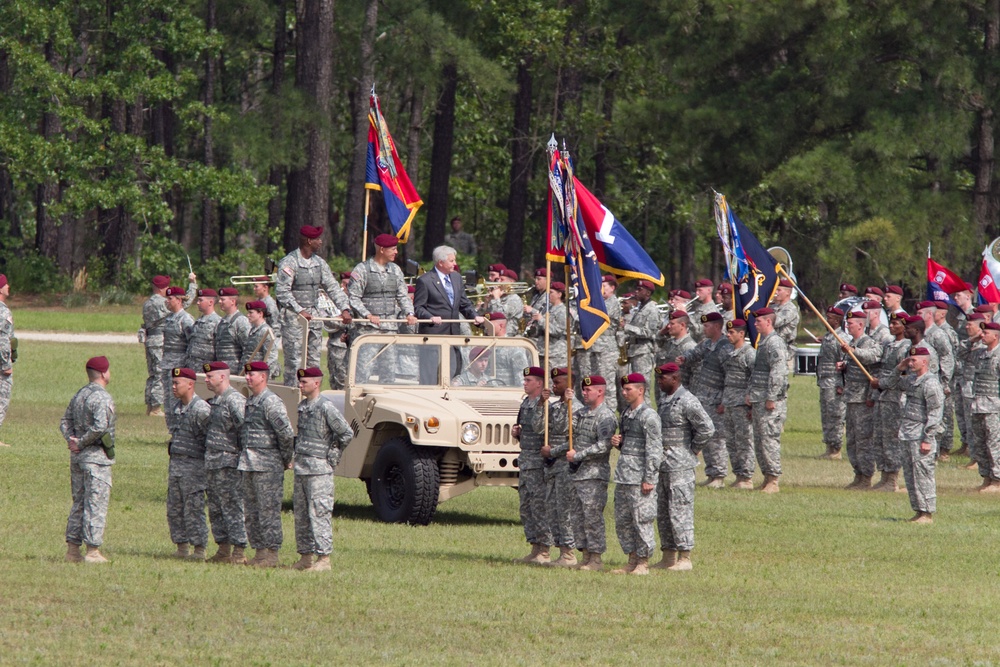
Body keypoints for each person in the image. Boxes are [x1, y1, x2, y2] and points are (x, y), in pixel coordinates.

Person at [652, 362, 714, 571]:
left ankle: (685, 556)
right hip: (663, 463)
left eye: (663, 378)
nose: (659, 382)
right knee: (663, 511)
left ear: (675, 379)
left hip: (680, 465)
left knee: (680, 509)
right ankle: (668, 555)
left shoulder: (688, 400)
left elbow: (707, 428)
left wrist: (692, 449)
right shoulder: (665, 400)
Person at [291, 367, 353, 572]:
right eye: (300, 382)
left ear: (316, 383)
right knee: (301, 515)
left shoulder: (326, 407)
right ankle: (305, 557)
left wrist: (332, 456)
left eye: (304, 382)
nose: (300, 385)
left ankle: (324, 559)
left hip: (319, 471)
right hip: (302, 469)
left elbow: (346, 433)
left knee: (319, 512)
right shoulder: (303, 406)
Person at [275, 225, 353, 386]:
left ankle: (312, 398)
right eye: (317, 239)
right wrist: (299, 310)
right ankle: (294, 398)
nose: (320, 241)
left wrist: (345, 308)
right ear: (309, 241)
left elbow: (332, 287)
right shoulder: (290, 262)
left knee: (314, 362)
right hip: (294, 319)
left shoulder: (319, 263)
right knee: (294, 362)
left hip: (314, 318)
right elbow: (282, 292)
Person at [239, 361, 294, 568]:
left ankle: (272, 554)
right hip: (249, 464)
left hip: (268, 466)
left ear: (263, 377)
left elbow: (286, 434)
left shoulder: (271, 402)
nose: (247, 378)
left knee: (268, 510)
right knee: (252, 511)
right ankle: (259, 552)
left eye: (252, 375)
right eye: (247, 374)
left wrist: (285, 458)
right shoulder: (251, 401)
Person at [61, 356, 115, 564]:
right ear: (103, 373)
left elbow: (65, 421)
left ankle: (72, 550)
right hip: (96, 459)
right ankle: (92, 550)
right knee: (95, 503)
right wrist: (81, 442)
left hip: (78, 458)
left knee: (79, 503)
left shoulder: (80, 395)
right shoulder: (102, 397)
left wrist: (72, 441)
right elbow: (101, 427)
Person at [348, 233, 417, 383]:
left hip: (390, 329)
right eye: (393, 249)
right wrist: (367, 315)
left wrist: (409, 313)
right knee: (363, 371)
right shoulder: (362, 270)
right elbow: (353, 297)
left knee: (388, 373)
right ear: (381, 249)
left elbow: (403, 296)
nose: (396, 252)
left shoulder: (396, 270)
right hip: (367, 330)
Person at [610, 373, 662, 575]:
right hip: (624, 475)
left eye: (628, 389)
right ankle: (631, 559)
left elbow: (654, 449)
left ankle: (643, 562)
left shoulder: (649, 416)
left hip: (640, 477)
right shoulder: (626, 413)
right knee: (624, 520)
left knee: (642, 520)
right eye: (623, 389)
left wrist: (649, 478)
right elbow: (630, 444)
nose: (624, 392)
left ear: (641, 390)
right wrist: (619, 444)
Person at [566, 375, 616, 571]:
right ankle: (585, 555)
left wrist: (578, 455)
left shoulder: (606, 416)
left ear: (600, 391)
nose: (584, 393)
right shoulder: (582, 413)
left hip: (594, 474)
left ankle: (596, 558)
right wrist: (569, 402)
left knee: (592, 518)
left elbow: (604, 445)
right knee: (578, 518)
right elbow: (571, 432)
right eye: (583, 390)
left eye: (588, 390)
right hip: (578, 474)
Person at [413, 245, 485, 382]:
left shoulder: (456, 278)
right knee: (430, 377)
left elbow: (464, 303)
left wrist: (474, 315)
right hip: (433, 338)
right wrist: (430, 317)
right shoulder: (425, 281)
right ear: (441, 262)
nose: (455, 264)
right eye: (451, 261)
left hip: (453, 336)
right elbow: (418, 308)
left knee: (452, 374)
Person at [677, 312, 732, 487]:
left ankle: (719, 476)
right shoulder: (708, 344)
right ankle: (711, 474)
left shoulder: (725, 347)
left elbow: (729, 375)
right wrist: (684, 358)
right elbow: (695, 354)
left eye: (707, 326)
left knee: (717, 438)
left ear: (717, 326)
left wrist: (724, 401)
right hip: (703, 398)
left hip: (716, 399)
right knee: (706, 436)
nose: (704, 329)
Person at [202, 361, 248, 565]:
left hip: (229, 463)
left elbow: (244, 431)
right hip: (213, 463)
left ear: (222, 377)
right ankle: (223, 548)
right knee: (216, 507)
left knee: (232, 507)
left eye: (209, 376)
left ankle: (239, 551)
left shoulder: (234, 400)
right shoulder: (216, 401)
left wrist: (241, 460)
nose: (206, 380)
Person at [535, 367, 580, 567]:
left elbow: (575, 440)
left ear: (568, 384)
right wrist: (541, 403)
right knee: (552, 509)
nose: (554, 386)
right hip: (552, 466)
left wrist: (552, 451)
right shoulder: (553, 407)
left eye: (558, 383)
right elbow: (538, 428)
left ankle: (569, 553)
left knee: (565, 510)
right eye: (553, 383)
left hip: (565, 465)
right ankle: (561, 551)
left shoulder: (576, 408)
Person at [166, 367, 212, 560]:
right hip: (176, 466)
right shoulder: (177, 408)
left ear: (190, 384)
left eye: (177, 383)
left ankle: (199, 548)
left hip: (194, 468)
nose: (173, 387)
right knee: (175, 508)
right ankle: (181, 546)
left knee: (193, 509)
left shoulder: (201, 410)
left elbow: (208, 440)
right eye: (173, 383)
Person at [896, 347, 945, 523]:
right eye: (910, 360)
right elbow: (889, 383)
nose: (910, 363)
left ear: (924, 361)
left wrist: (928, 438)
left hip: (921, 435)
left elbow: (935, 412)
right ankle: (918, 510)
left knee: (923, 474)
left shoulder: (930, 383)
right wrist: (899, 369)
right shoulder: (911, 380)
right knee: (910, 475)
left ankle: (927, 513)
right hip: (907, 433)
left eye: (913, 360)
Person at [512, 366, 553, 564]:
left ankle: (544, 549)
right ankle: (534, 547)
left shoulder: (544, 404)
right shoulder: (525, 403)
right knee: (526, 507)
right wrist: (517, 433)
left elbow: (542, 430)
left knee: (539, 507)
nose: (525, 383)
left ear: (539, 383)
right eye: (525, 380)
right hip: (525, 460)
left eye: (529, 380)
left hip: (538, 463)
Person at [838, 311, 882, 490]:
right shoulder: (851, 343)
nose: (847, 326)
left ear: (860, 325)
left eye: (850, 324)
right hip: (851, 396)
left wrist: (854, 352)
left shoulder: (868, 342)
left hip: (863, 398)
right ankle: (857, 473)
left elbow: (874, 357)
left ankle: (866, 475)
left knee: (864, 439)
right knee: (852, 438)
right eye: (847, 323)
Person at [868, 312, 911, 492]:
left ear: (904, 326)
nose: (891, 327)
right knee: (880, 437)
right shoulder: (889, 344)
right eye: (891, 324)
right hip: (883, 396)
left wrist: (882, 384)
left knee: (892, 439)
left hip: (895, 398)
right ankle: (884, 475)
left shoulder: (906, 347)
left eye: (895, 324)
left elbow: (901, 376)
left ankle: (892, 479)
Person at [142, 274, 196, 417]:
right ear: (162, 289)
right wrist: (192, 284)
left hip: (151, 340)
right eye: (166, 288)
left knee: (153, 374)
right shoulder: (161, 303)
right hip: (161, 341)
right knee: (160, 375)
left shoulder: (147, 303)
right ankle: (155, 408)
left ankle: (150, 404)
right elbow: (184, 302)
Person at [747, 307, 788, 493]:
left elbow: (778, 372)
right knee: (760, 439)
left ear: (769, 322)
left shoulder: (775, 343)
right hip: (759, 397)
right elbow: (758, 372)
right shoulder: (763, 342)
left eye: (758, 321)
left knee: (769, 439)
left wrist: (772, 397)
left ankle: (773, 479)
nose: (755, 324)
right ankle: (766, 477)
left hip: (770, 400)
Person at [721, 319, 756, 489]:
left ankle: (747, 477)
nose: (728, 335)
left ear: (741, 334)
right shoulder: (728, 352)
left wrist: (751, 402)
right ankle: (738, 474)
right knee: (731, 440)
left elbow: (754, 378)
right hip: (729, 401)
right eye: (728, 332)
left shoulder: (749, 354)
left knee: (744, 440)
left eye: (732, 332)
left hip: (742, 403)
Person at [970, 322, 1000, 492]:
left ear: (996, 336)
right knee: (980, 443)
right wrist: (973, 339)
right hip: (977, 404)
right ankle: (986, 477)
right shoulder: (980, 354)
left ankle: (997, 479)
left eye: (986, 333)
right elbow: (961, 353)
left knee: (994, 443)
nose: (982, 335)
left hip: (994, 406)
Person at [161, 286, 194, 428]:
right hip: (167, 364)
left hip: (179, 365)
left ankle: (178, 430)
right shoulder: (168, 318)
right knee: (168, 399)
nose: (167, 302)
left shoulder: (186, 319)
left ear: (179, 300)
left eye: (170, 299)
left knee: (177, 399)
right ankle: (171, 430)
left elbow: (191, 343)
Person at [816, 306, 846, 459]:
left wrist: (841, 384)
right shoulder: (828, 337)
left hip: (834, 383)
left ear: (837, 320)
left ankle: (836, 448)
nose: (826, 320)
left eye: (829, 318)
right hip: (825, 381)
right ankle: (829, 446)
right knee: (826, 415)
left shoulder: (841, 338)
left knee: (835, 415)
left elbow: (844, 363)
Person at [623, 280, 660, 399]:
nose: (636, 292)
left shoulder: (652, 309)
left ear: (648, 293)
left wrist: (627, 327)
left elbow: (649, 332)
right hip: (635, 351)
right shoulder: (640, 308)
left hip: (643, 352)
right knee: (634, 387)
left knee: (642, 389)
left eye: (640, 290)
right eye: (636, 289)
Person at [481, 313, 530, 385]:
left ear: (501, 326)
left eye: (490, 325)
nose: (486, 328)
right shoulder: (486, 347)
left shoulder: (514, 349)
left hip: (505, 393)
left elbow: (521, 380)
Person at [326, 271, 353, 390]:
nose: (343, 287)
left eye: (346, 285)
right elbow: (326, 319)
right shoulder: (335, 301)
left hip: (344, 347)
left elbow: (351, 322)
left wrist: (339, 320)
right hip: (332, 344)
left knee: (343, 380)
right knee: (333, 379)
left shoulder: (355, 302)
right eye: (342, 284)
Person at [214, 287, 251, 376]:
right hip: (222, 372)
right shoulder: (223, 321)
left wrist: (242, 372)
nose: (219, 302)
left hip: (234, 373)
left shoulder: (241, 321)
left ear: (233, 301)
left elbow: (248, 349)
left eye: (223, 299)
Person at [532, 281, 568, 368]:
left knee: (551, 380)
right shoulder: (547, 309)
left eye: (551, 292)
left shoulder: (562, 310)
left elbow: (557, 331)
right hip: (542, 351)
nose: (548, 295)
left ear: (559, 294)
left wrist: (541, 320)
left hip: (555, 354)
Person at [241, 300, 280, 379]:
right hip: (250, 374)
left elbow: (271, 357)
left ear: (260, 314)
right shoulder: (253, 329)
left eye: (251, 313)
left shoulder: (266, 331)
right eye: (248, 312)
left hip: (258, 376)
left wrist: (265, 377)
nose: (248, 315)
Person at [185, 288, 220, 371]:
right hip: (192, 366)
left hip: (207, 368)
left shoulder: (217, 322)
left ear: (210, 302)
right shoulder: (198, 321)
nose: (197, 303)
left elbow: (218, 347)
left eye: (200, 300)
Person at [771, 278, 800, 372]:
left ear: (788, 292)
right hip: (772, 347)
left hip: (783, 349)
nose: (776, 292)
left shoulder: (790, 309)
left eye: (779, 290)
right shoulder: (774, 307)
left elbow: (774, 322)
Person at [0, 274, 14, 446]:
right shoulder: (3, 312)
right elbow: (3, 341)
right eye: (5, 284)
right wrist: (6, 365)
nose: (8, 286)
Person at [251, 276, 282, 342]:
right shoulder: (257, 301)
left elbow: (275, 325)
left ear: (265, 288)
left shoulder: (270, 304)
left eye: (256, 287)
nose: (254, 289)